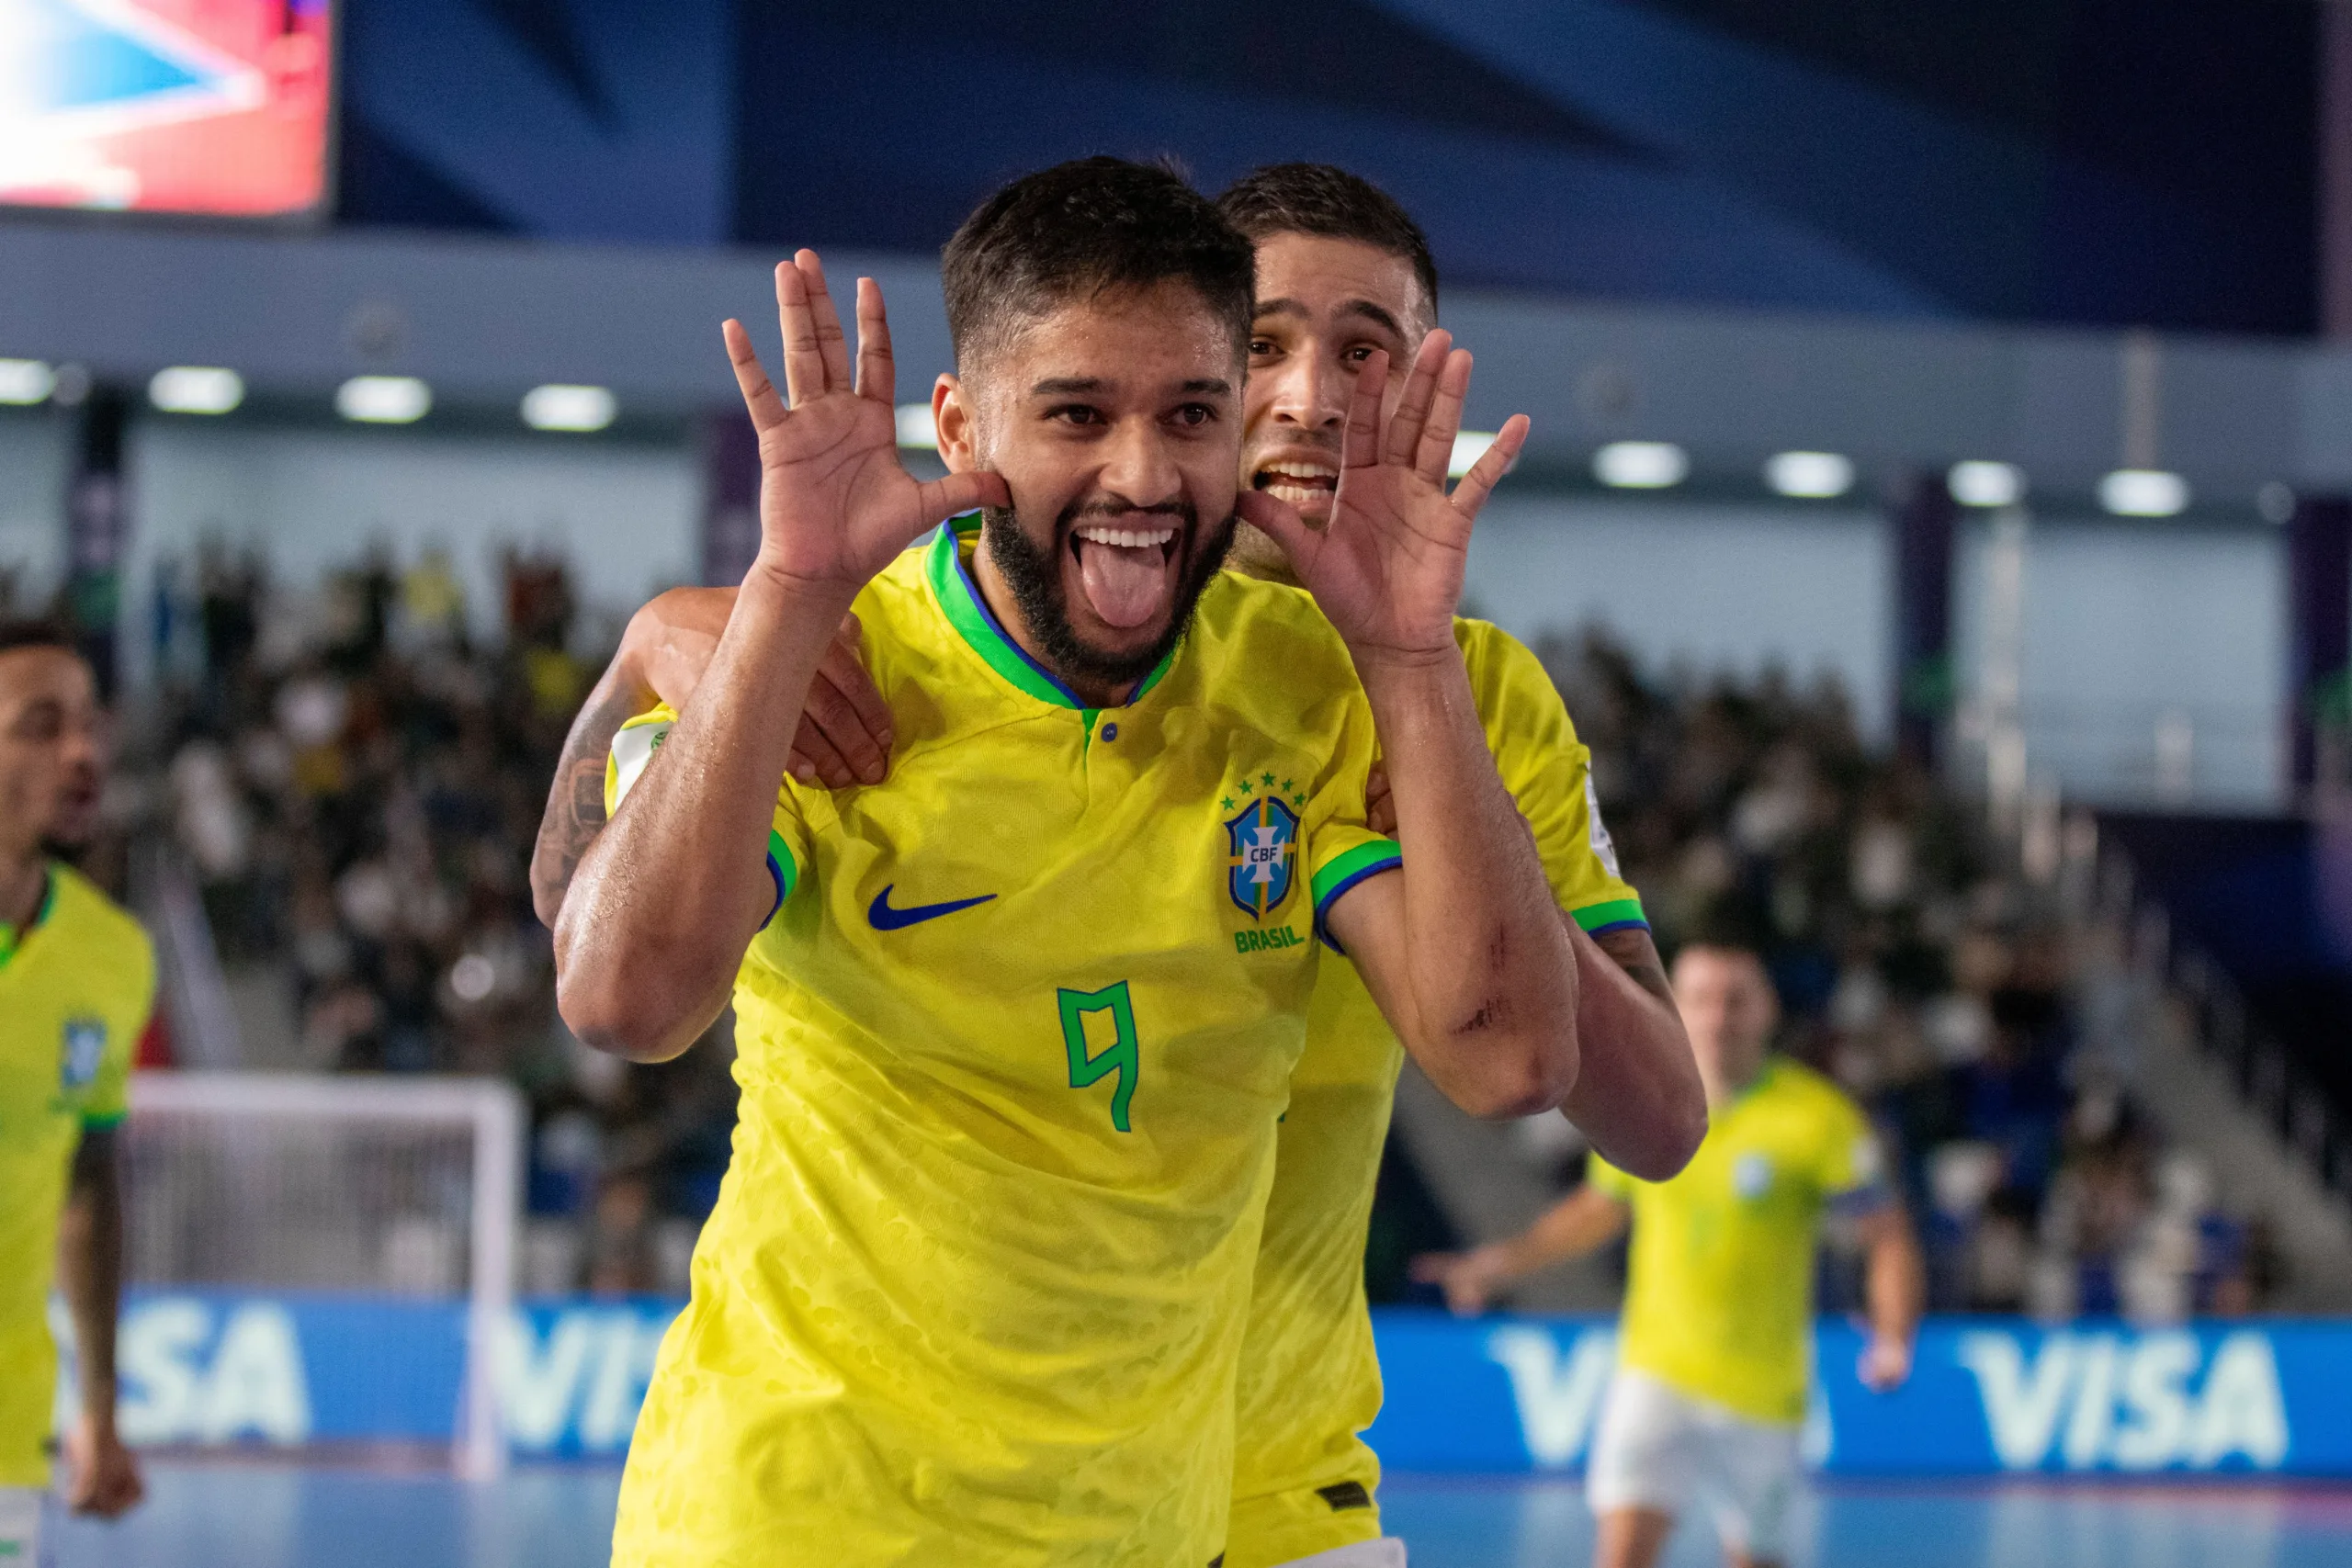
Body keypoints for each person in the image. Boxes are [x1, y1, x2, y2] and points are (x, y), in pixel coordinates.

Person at [531, 162, 1708, 1568]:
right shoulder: (851, 646)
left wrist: (1428, 721)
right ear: (976, 423)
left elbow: (1558, 1074)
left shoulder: (1375, 693)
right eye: (1261, 346)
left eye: (1363, 353)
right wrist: (699, 628)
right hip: (811, 1506)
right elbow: (612, 974)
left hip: (1248, 1490)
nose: (1310, 396)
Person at [1413, 942, 1922, 1568]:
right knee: (1622, 1555)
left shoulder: (1819, 1118)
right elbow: (1597, 1210)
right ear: (1677, 1006)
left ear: (1767, 1010)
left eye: (1736, 999)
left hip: (1765, 1395)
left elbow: (1886, 1233)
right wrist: (1500, 1263)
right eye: (1703, 998)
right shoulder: (1650, 1104)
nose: (1719, 1015)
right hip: (1656, 1375)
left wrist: (1893, 1333)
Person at [0, 622, 150, 1564]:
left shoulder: (113, 957)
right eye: (39, 726)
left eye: (91, 724)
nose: (83, 752)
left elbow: (89, 1181)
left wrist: (98, 1406)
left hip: (9, 1433)